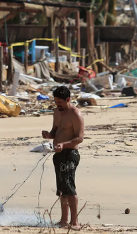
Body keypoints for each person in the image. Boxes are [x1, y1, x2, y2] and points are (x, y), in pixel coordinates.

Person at [42, 86, 85, 229]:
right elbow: (55, 130)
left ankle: (75, 222)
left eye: (60, 102)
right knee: (61, 189)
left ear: (68, 99)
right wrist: (49, 135)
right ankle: (63, 220)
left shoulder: (75, 114)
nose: (57, 104)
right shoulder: (56, 112)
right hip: (58, 154)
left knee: (69, 187)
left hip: (70, 154)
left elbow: (79, 138)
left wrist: (64, 145)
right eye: (56, 101)